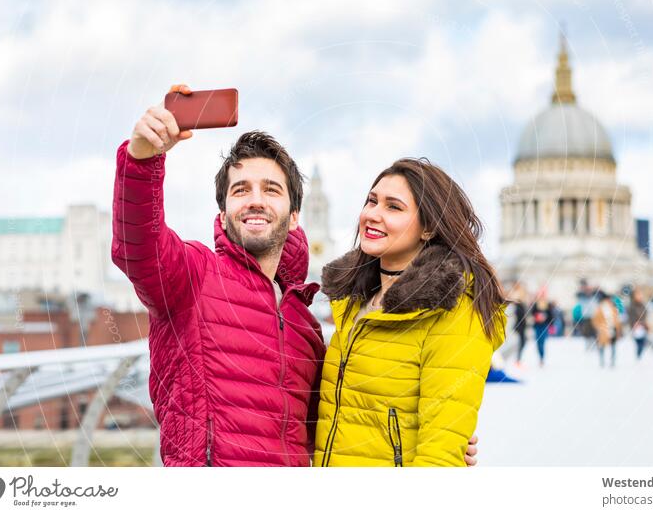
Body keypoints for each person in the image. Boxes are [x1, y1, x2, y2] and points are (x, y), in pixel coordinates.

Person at [112, 84, 479, 466]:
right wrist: (142, 158)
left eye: (271, 190)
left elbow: (339, 419)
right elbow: (137, 245)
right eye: (240, 190)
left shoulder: (305, 324)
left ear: (294, 216)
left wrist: (440, 436)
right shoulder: (191, 277)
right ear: (222, 214)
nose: (256, 200)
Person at [314, 158, 507, 466]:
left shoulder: (454, 312)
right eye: (372, 201)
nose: (373, 214)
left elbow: (439, 457)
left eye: (394, 207)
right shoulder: (353, 305)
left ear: (429, 228)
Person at [593, 294, 622, 368]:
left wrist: (618, 329)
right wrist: (599, 327)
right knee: (602, 346)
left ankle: (612, 362)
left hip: (613, 329)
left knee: (613, 346)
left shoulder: (613, 308)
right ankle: (602, 361)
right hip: (604, 330)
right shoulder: (600, 308)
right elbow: (595, 320)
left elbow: (617, 319)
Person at [531, 292, 552, 367]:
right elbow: (532, 313)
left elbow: (551, 316)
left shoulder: (548, 305)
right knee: (538, 342)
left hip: (544, 326)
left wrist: (545, 318)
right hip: (537, 326)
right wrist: (537, 317)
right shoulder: (535, 305)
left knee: (542, 342)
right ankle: (540, 357)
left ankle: (542, 358)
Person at [628, 288, 649, 359]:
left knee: (643, 343)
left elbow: (645, 314)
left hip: (643, 326)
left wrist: (643, 322)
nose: (640, 296)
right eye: (638, 295)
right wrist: (634, 324)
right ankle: (638, 355)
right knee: (638, 342)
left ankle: (639, 355)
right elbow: (630, 317)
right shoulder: (631, 306)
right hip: (635, 327)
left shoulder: (643, 305)